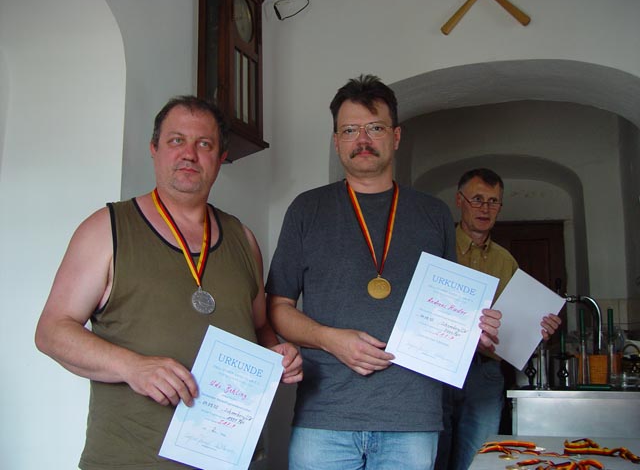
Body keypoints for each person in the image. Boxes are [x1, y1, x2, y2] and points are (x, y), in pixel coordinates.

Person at [34, 96, 303, 470]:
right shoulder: (106, 229)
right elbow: (51, 332)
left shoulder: (243, 239)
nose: (189, 154)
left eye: (204, 144)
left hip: (227, 460)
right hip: (129, 461)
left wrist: (278, 355)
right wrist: (132, 366)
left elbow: (260, 329)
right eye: (177, 140)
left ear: (221, 157)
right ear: (154, 148)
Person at [265, 75, 502, 470]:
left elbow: (449, 308)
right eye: (350, 130)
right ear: (336, 141)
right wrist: (330, 340)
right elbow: (277, 308)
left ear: (395, 136)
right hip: (325, 414)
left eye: (374, 128)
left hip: (412, 417)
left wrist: (473, 328)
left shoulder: (433, 214)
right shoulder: (307, 209)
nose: (362, 139)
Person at [435, 168, 561, 470]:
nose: (485, 208)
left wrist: (539, 329)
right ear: (459, 201)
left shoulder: (506, 261)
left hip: (486, 373)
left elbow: (516, 323)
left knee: (478, 459)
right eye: (477, 199)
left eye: (493, 201)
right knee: (432, 456)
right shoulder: (437, 247)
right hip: (439, 369)